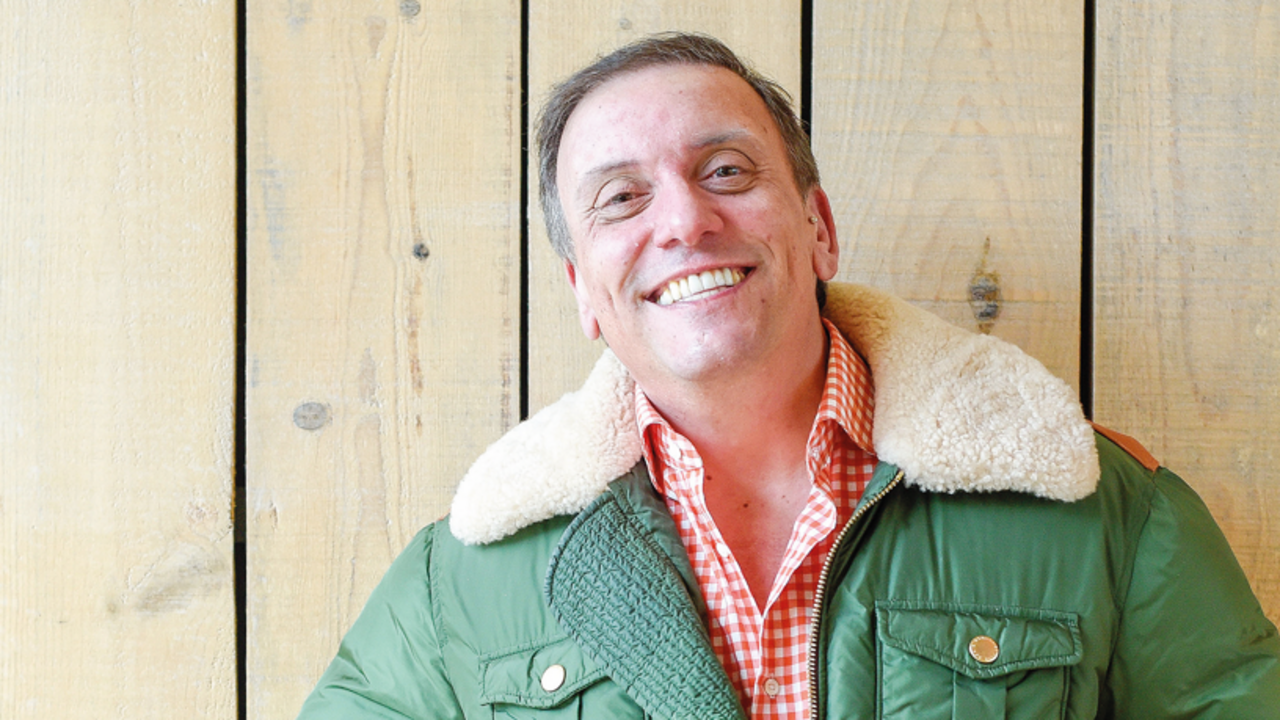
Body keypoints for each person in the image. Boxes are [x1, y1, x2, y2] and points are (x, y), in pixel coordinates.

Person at [298, 33, 1280, 719]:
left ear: (818, 229)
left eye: (725, 171)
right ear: (582, 292)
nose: (684, 222)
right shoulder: (464, 582)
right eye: (621, 198)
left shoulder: (1101, 512)